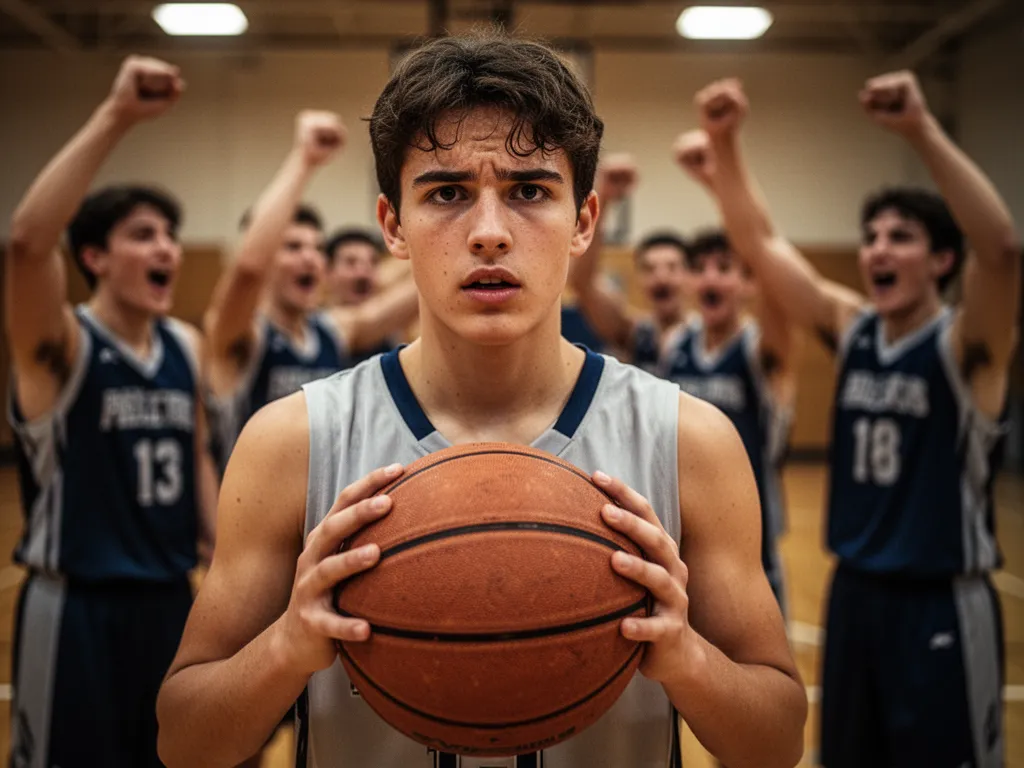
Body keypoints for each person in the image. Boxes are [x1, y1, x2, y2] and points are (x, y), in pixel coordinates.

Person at [156, 31, 806, 768]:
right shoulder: (295, 440)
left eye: (529, 190)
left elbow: (777, 742)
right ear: (392, 226)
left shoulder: (688, 439)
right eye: (447, 193)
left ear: (585, 220)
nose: (490, 234)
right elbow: (184, 741)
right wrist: (285, 647)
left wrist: (686, 656)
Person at [698, 73, 1019, 767]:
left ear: (940, 260)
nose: (875, 249)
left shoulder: (969, 350)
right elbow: (760, 245)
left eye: (899, 237)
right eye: (869, 236)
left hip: (939, 602)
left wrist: (920, 130)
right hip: (854, 594)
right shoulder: (855, 328)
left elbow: (1001, 251)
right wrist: (725, 144)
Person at [5, 56, 217, 767]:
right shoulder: (58, 345)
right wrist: (118, 115)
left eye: (170, 235)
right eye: (143, 235)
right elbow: (28, 244)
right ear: (94, 256)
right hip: (77, 609)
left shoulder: (185, 344)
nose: (167, 249)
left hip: (169, 601)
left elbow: (195, 459)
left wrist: (223, 556)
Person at [203, 111, 419, 472]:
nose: (310, 259)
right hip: (255, 512)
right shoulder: (243, 336)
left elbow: (412, 294)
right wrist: (304, 160)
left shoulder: (332, 330)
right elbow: (247, 270)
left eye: (317, 248)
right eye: (292, 247)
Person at [669, 131, 798, 609]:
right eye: (699, 267)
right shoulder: (675, 344)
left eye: (725, 267)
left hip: (752, 543)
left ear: (747, 283)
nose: (710, 277)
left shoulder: (762, 349)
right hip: (682, 539)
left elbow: (771, 263)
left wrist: (717, 180)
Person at [566, 155, 692, 372]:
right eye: (650, 269)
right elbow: (582, 284)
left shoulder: (712, 334)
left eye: (672, 267)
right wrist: (603, 198)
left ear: (690, 276)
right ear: (640, 278)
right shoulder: (632, 332)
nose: (661, 277)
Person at [323, 227, 415, 363]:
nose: (363, 273)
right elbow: (363, 322)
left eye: (372, 262)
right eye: (351, 262)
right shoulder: (320, 325)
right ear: (327, 273)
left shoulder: (397, 332)